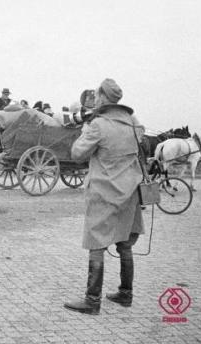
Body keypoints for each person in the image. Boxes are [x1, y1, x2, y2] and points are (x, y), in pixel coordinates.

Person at [64, 78, 144, 315]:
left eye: (97, 95)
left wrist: (85, 130)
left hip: (103, 192)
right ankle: (126, 294)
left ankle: (92, 301)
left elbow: (77, 153)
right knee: (124, 243)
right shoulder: (133, 123)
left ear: (102, 97)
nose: (95, 98)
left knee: (96, 244)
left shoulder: (98, 125)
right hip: (129, 191)